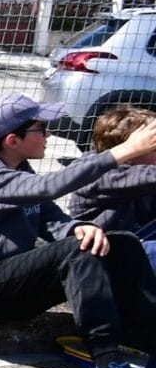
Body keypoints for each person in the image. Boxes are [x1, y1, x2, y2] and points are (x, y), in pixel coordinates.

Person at [0, 91, 156, 368]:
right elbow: (48, 188)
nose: (48, 135)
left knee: (121, 243)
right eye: (41, 129)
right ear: (13, 140)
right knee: (76, 251)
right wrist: (124, 151)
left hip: (13, 289)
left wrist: (78, 228)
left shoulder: (20, 170)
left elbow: (54, 223)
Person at [66, 105, 156, 273]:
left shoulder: (139, 167)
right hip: (102, 257)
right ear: (131, 151)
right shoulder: (98, 174)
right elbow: (147, 176)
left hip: (137, 242)